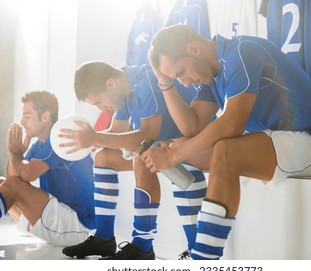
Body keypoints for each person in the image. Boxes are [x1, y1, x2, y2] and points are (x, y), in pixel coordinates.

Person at [141, 24, 311, 260]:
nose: (184, 82)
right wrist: (164, 82)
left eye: (181, 72)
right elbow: (191, 127)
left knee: (220, 150)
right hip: (278, 146)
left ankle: (203, 262)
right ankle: (196, 246)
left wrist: (174, 156)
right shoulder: (211, 77)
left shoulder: (241, 53)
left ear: (194, 49)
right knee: (178, 145)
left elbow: (233, 122)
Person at [60, 61, 215, 260]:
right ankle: (104, 238)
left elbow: (147, 136)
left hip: (196, 148)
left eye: (98, 102)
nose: (101, 109)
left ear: (110, 84)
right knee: (103, 156)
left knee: (143, 155)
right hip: (165, 150)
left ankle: (152, 246)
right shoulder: (124, 91)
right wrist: (85, 142)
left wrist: (94, 138)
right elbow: (116, 133)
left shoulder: (147, 81)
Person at [0, 90, 95, 248]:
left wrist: (14, 152)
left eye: (27, 116)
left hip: (79, 225)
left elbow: (27, 175)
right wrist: (16, 154)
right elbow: (13, 179)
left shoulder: (59, 138)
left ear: (45, 117)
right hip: (60, 219)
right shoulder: (38, 145)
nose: (22, 122)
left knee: (12, 186)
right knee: (2, 182)